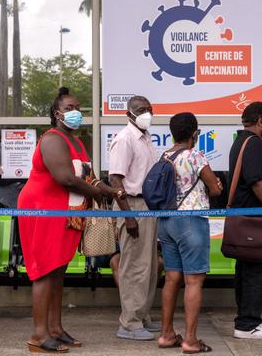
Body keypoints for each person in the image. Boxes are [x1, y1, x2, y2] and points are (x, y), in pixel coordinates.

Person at [17, 87, 124, 353]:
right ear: (56, 114)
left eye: (78, 108)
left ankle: (55, 329)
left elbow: (88, 176)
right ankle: (38, 336)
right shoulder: (52, 139)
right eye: (69, 108)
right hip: (43, 210)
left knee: (58, 270)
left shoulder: (76, 141)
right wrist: (99, 192)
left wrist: (109, 190)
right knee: (44, 270)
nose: (75, 112)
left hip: (67, 211)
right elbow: (65, 178)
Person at [157, 112, 222, 353]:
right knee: (193, 280)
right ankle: (191, 340)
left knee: (172, 278)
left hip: (166, 222)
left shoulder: (165, 156)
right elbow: (214, 188)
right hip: (190, 221)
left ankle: (166, 334)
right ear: (194, 133)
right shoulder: (195, 155)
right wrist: (215, 185)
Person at [228, 101, 262, 340]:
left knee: (247, 270)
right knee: (256, 271)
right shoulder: (253, 145)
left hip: (247, 218)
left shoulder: (242, 142)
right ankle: (247, 324)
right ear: (260, 120)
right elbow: (258, 182)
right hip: (256, 219)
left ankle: (250, 319)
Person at [108, 96, 161, 341]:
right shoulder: (125, 139)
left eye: (149, 109)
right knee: (134, 267)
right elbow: (115, 180)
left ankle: (142, 316)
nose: (147, 113)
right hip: (132, 205)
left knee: (148, 266)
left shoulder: (146, 138)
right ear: (128, 113)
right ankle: (129, 323)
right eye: (141, 110)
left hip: (148, 206)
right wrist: (129, 216)